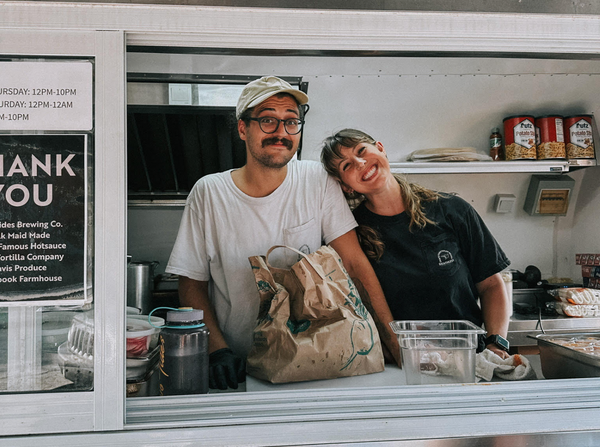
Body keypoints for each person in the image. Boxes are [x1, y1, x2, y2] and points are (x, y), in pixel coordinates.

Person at [166, 78, 400, 391]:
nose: (281, 132)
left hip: (313, 358)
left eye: (291, 121)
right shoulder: (209, 193)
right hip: (239, 366)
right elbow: (191, 283)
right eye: (267, 120)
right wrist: (217, 350)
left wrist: (395, 342)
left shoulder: (316, 179)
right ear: (242, 129)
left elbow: (355, 264)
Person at [321, 128, 512, 359]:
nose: (360, 163)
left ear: (380, 148)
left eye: (362, 151)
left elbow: (491, 284)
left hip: (468, 357)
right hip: (400, 364)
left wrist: (497, 344)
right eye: (347, 166)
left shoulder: (452, 210)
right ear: (345, 186)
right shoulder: (351, 235)